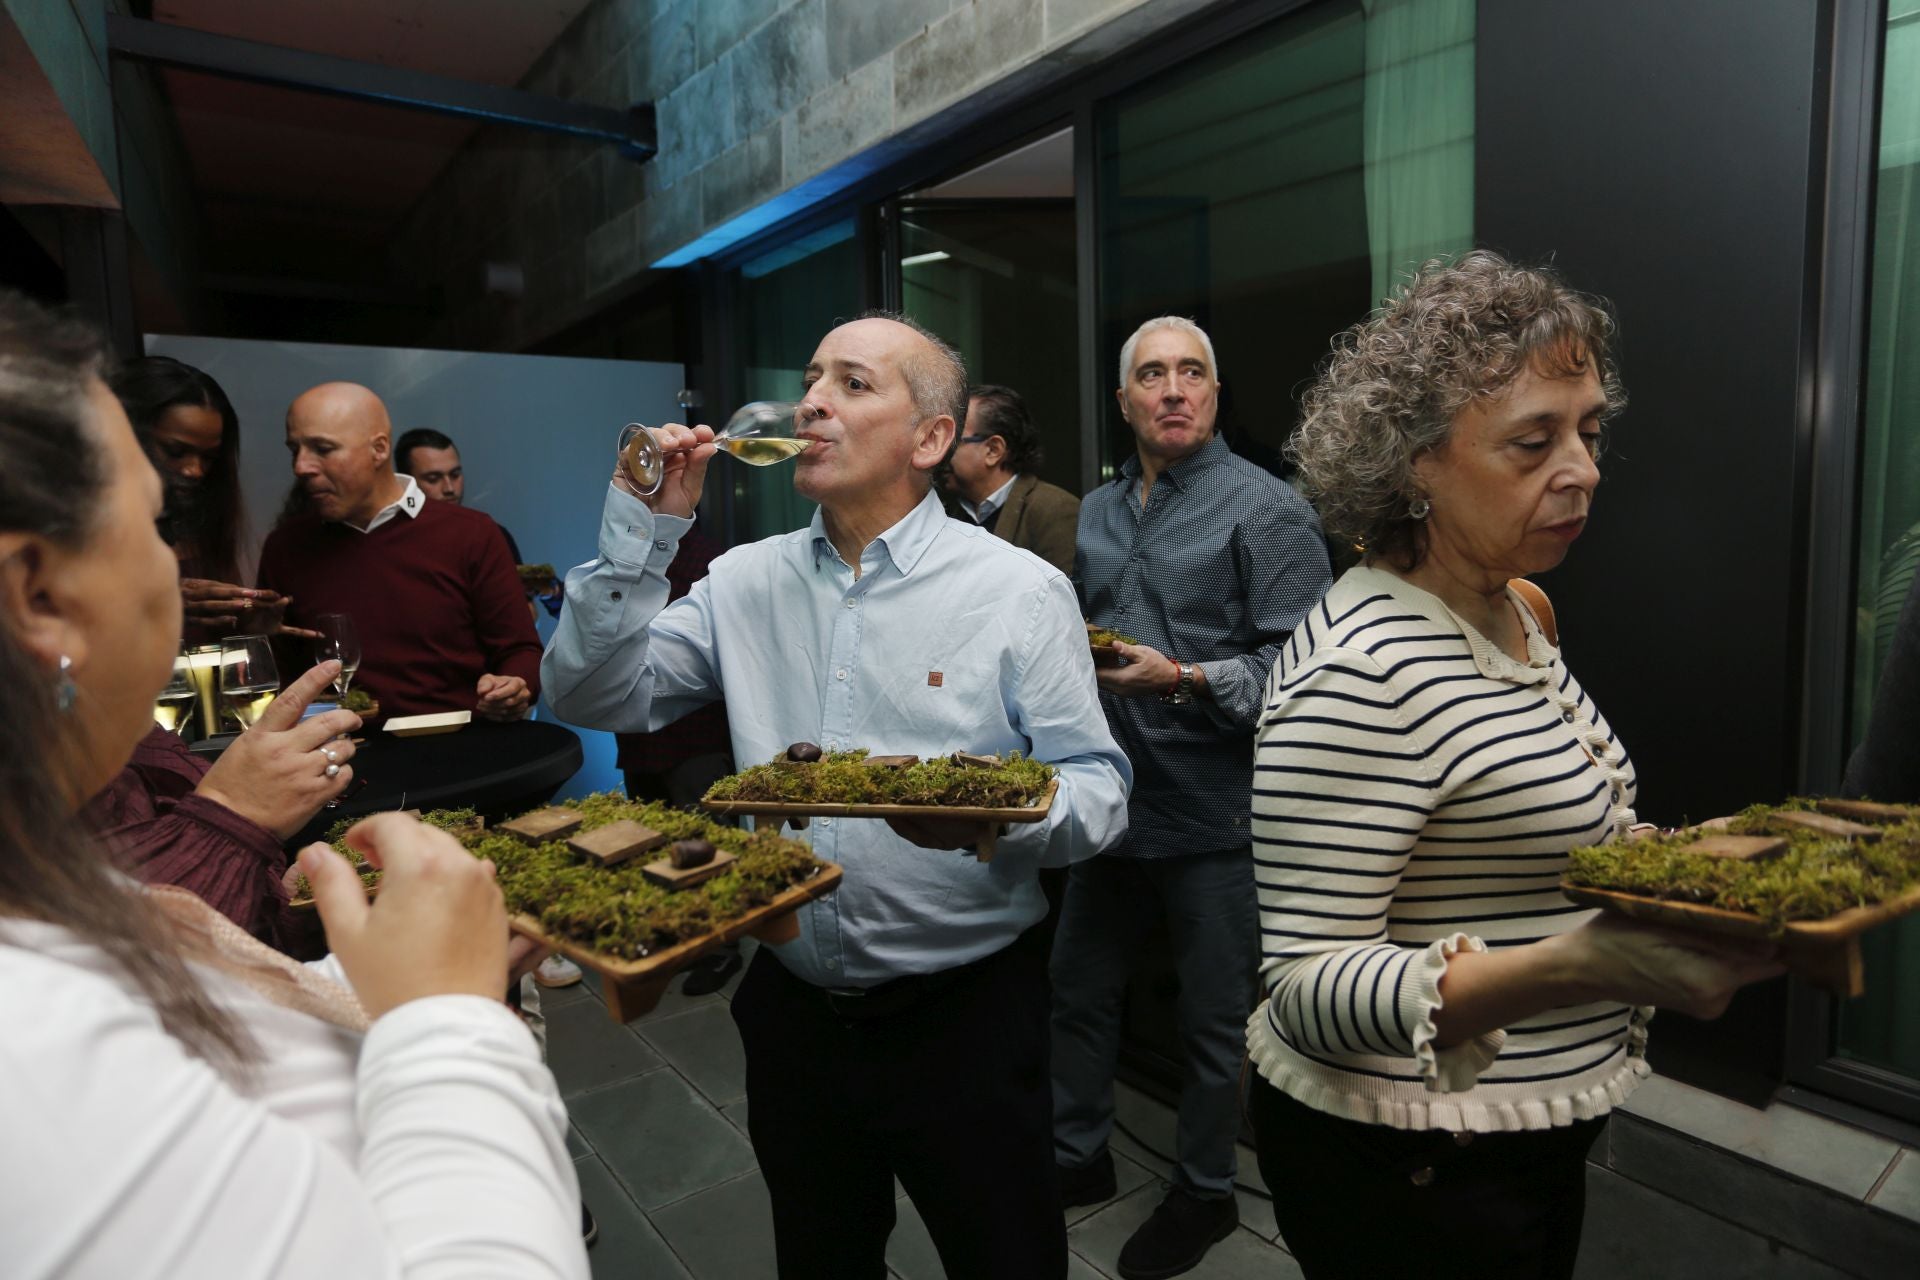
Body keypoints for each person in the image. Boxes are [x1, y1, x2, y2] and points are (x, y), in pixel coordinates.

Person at [0, 288, 585, 1277]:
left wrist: (360, 981)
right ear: (41, 597)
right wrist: (446, 1019)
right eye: (150, 521)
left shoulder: (53, 881)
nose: (178, 566)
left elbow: (206, 986)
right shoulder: (43, 1052)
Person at [543, 312, 1132, 1280]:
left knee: (1008, 1259)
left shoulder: (1019, 590)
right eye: (813, 376)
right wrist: (643, 534)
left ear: (931, 438)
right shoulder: (743, 579)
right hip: (795, 1019)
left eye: (853, 383)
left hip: (969, 1021)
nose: (813, 398)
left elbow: (1101, 789)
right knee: (821, 1258)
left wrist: (997, 815)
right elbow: (594, 692)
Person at [1247, 252, 1782, 1279]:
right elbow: (1305, 984)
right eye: (1533, 440)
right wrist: (1583, 963)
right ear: (1414, 462)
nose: (1580, 467)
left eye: (1589, 429)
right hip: (1414, 1161)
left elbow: (1515, 826)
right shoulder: (1365, 669)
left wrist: (1667, 866)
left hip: (1516, 1138)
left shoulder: (1515, 605)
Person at [1052, 315, 1333, 1279]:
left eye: (1192, 373)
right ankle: (1075, 1157)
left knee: (1214, 1025)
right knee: (1080, 993)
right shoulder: (1093, 512)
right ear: (1124, 399)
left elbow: (1301, 677)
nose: (1173, 389)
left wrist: (1178, 677)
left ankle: (1206, 1194)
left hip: (1216, 815)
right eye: (1152, 375)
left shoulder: (1271, 510)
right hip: (1111, 800)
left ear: (1215, 394)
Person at [258, 383, 541, 720]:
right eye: (295, 450)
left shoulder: (471, 533)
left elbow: (520, 651)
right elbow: (277, 677)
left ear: (379, 449)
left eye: (323, 448)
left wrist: (513, 685)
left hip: (462, 751)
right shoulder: (285, 548)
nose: (301, 466)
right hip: (339, 759)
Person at [80, 664, 362, 944]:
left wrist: (283, 899)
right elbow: (126, 955)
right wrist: (230, 817)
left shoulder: (134, 738)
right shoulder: (68, 780)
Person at [108, 355, 304, 644]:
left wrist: (241, 628)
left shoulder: (197, 529)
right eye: (175, 451)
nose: (195, 470)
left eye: (209, 458)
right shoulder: (75, 531)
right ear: (125, 435)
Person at [938, 383, 1080, 575]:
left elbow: (1064, 597)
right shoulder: (946, 513)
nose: (941, 451)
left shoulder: (1053, 509)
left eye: (953, 441)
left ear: (993, 450)